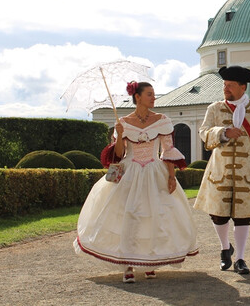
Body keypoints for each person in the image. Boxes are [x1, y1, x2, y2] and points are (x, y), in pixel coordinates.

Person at [74, 81, 198, 283]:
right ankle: (128, 265)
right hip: (129, 172)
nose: (154, 97)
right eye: (150, 94)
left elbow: (167, 151)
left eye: (154, 94)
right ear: (137, 97)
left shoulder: (162, 120)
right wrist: (120, 134)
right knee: (128, 216)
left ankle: (151, 261)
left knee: (154, 216)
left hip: (155, 172)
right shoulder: (123, 121)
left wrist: (171, 176)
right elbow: (119, 154)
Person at [194, 66, 250, 275]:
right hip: (219, 170)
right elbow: (203, 133)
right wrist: (223, 132)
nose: (226, 89)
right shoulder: (214, 108)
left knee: (243, 216)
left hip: (247, 172)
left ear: (243, 87)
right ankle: (225, 248)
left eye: (230, 86)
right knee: (218, 216)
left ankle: (240, 258)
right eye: (224, 85)